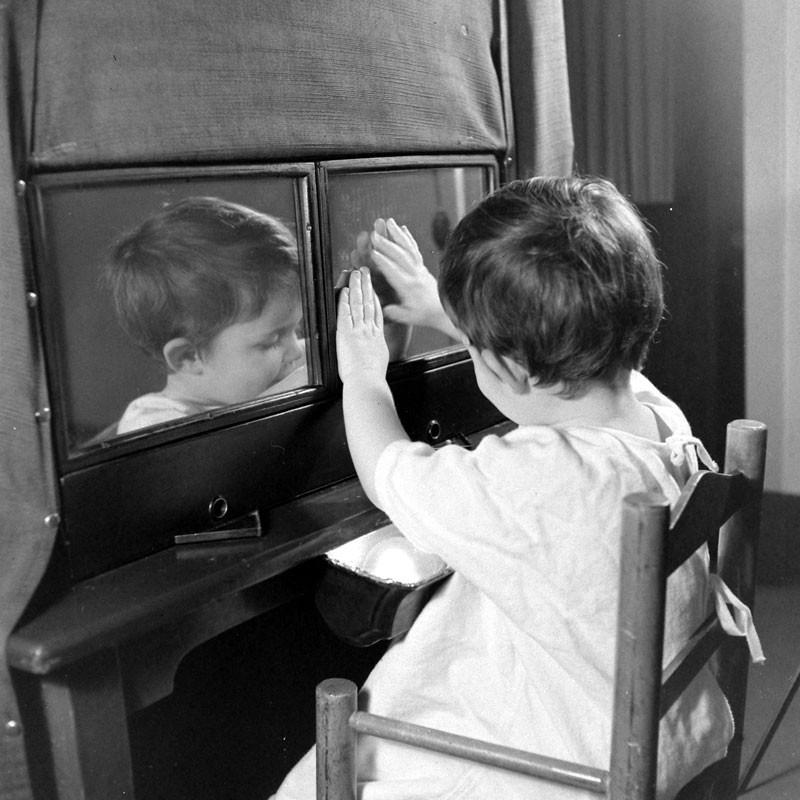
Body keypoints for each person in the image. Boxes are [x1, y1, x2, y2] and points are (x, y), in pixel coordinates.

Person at [272, 176, 751, 800]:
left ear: (503, 368)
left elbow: (390, 469)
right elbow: (549, 352)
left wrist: (364, 376)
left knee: (319, 775)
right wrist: (441, 308)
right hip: (668, 731)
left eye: (474, 350)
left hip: (567, 760)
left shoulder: (536, 478)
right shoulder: (655, 414)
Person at [106, 196, 308, 435]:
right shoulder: (151, 423)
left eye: (295, 330)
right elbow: (230, 449)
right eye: (272, 341)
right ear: (188, 356)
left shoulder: (272, 367)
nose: (295, 351)